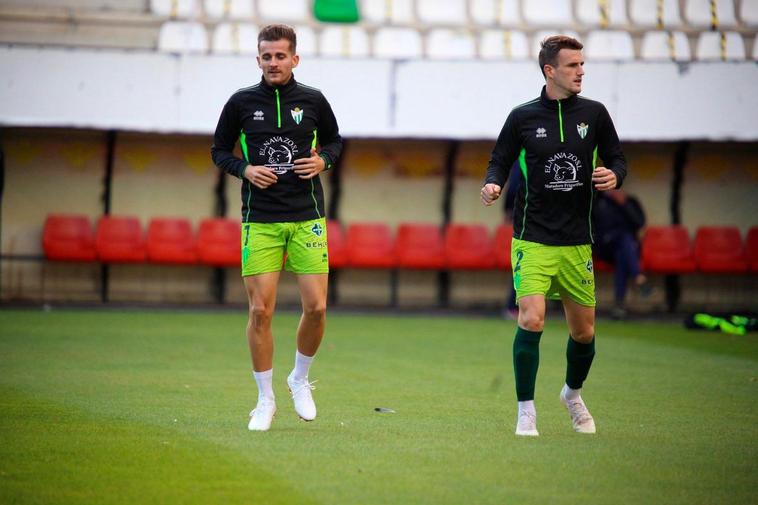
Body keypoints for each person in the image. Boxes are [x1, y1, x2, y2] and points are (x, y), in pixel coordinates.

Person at [481, 35, 627, 436]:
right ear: (550, 70)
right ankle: (526, 409)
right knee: (531, 320)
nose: (581, 71)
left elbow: (617, 158)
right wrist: (492, 185)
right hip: (532, 238)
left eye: (582, 65)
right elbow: (499, 161)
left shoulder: (595, 115)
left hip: (578, 240)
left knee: (585, 333)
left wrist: (615, 176)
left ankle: (572, 394)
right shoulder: (522, 117)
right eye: (572, 65)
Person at [211, 24, 343, 431]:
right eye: (266, 56)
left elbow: (336, 143)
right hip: (261, 220)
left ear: (294, 59)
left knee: (317, 308)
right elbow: (219, 151)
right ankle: (264, 399)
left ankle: (299, 378)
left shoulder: (314, 100)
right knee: (259, 311)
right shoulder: (241, 103)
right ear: (258, 60)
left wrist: (323, 161)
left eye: (280, 56)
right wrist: (245, 169)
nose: (273, 62)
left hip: (307, 216)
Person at [592, 189, 648, 319]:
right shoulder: (598, 201)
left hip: (625, 250)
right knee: (624, 239)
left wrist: (624, 205)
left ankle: (619, 306)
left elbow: (639, 223)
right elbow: (593, 227)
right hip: (605, 248)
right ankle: (638, 276)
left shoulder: (630, 201)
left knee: (622, 256)